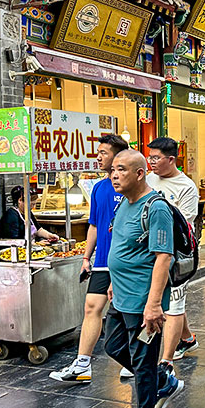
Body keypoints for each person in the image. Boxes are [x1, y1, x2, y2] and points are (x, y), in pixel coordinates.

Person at [103, 149, 183, 408]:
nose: (114, 175)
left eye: (121, 170)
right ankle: (161, 379)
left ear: (139, 174)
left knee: (142, 363)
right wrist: (114, 281)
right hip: (122, 295)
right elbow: (122, 246)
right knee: (113, 347)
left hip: (142, 299)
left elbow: (163, 257)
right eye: (113, 170)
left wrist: (154, 304)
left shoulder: (156, 208)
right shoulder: (125, 203)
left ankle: (150, 391)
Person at [49, 134, 129, 383]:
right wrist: (87, 257)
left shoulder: (130, 188)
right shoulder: (98, 188)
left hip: (127, 263)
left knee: (127, 313)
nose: (98, 156)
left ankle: (134, 360)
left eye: (104, 152)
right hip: (103, 262)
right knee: (91, 308)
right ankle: (82, 364)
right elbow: (94, 225)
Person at [145, 137, 199, 372]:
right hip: (149, 252)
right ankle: (187, 339)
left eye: (156, 158)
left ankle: (165, 360)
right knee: (170, 300)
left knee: (174, 304)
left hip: (177, 254)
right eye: (150, 158)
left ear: (171, 159)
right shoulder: (147, 179)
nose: (152, 162)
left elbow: (183, 224)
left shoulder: (186, 187)